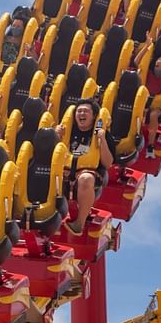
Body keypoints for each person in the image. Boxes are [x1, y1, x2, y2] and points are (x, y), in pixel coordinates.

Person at [55, 99, 115, 235]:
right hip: (64, 171)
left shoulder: (102, 133)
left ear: (93, 116)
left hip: (89, 174)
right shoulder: (67, 130)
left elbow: (108, 163)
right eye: (79, 111)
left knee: (85, 178)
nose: (82, 114)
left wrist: (102, 140)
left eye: (86, 111)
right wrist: (56, 136)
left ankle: (79, 223)